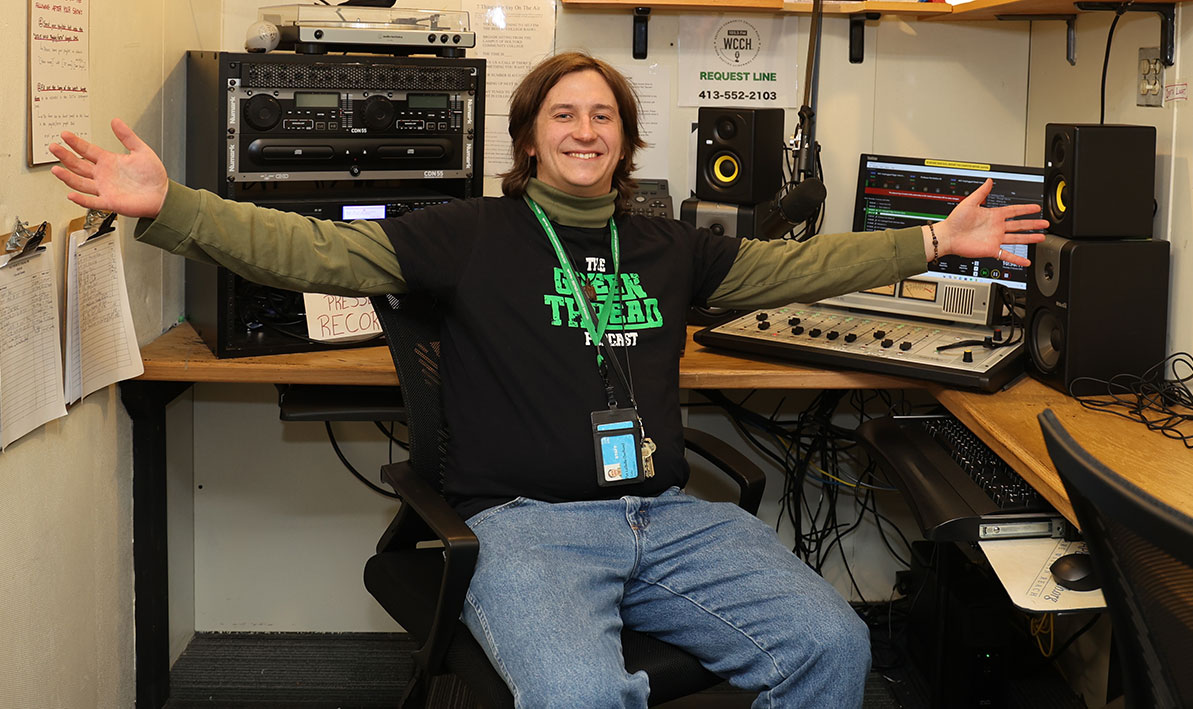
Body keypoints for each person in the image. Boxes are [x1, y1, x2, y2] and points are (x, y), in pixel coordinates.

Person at [51, 52, 1046, 708]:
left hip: (668, 517)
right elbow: (308, 250)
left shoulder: (668, 245)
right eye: (562, 115)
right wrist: (172, 205)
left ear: (624, 139)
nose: (583, 130)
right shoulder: (465, 233)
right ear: (529, 138)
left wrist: (927, 240)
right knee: (579, 697)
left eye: (602, 115)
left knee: (830, 648)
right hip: (525, 521)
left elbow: (793, 270)